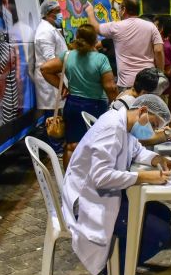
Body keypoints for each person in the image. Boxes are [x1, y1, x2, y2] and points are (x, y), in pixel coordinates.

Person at [59, 95, 171, 275]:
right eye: (154, 124)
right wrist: (142, 177)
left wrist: (157, 159)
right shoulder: (112, 126)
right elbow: (101, 176)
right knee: (158, 233)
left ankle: (121, 263)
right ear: (142, 111)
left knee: (162, 213)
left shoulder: (123, 123)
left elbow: (136, 150)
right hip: (87, 201)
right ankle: (113, 274)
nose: (152, 131)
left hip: (103, 194)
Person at [42, 24, 118, 169]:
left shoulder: (68, 55)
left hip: (73, 105)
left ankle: (69, 181)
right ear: (94, 39)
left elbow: (45, 69)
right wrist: (116, 103)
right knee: (98, 145)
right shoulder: (100, 59)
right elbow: (110, 87)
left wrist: (63, 87)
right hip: (96, 107)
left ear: (78, 37)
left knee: (71, 145)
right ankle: (95, 177)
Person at [85, 0, 164, 90]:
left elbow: (96, 28)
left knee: (127, 104)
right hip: (149, 80)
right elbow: (158, 50)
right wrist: (160, 74)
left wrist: (90, 11)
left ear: (124, 9)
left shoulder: (116, 27)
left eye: (119, 8)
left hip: (127, 82)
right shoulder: (151, 26)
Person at [33, 0, 69, 145]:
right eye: (57, 12)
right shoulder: (45, 33)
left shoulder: (50, 28)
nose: (60, 14)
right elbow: (50, 61)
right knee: (52, 116)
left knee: (56, 114)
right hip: (50, 80)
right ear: (48, 14)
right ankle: (55, 148)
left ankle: (57, 146)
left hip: (56, 78)